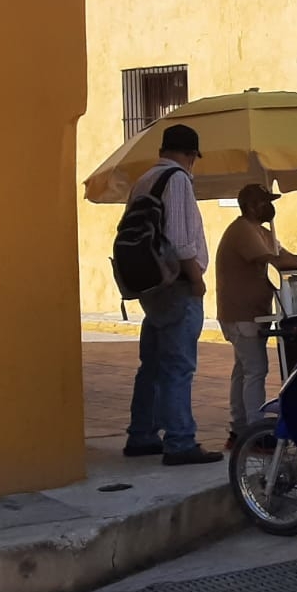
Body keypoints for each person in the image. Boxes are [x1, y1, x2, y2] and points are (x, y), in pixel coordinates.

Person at [123, 125, 222, 466]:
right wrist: (197, 281)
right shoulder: (178, 180)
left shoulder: (144, 179)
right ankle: (180, 441)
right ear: (191, 154)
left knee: (151, 364)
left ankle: (142, 434)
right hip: (177, 283)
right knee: (179, 367)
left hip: (151, 286)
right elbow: (181, 242)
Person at [215, 184, 297, 449]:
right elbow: (276, 262)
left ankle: (239, 428)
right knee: (255, 370)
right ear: (250, 205)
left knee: (243, 370)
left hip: (253, 313)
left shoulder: (262, 232)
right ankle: (255, 432)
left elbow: (285, 256)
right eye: (264, 201)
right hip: (241, 313)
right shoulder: (242, 230)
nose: (270, 206)